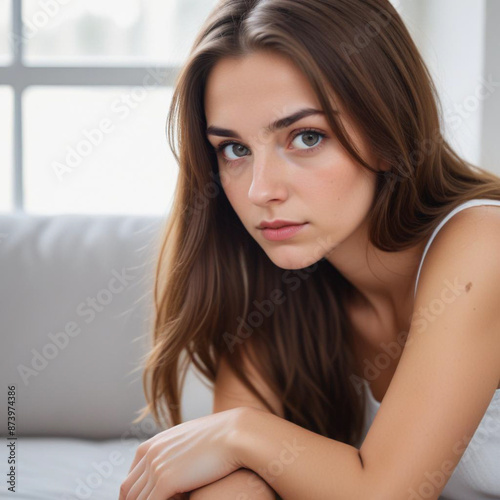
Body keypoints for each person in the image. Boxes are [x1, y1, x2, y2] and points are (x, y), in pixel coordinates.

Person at [119, 0, 500, 499]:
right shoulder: (272, 288)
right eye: (234, 149)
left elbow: (386, 494)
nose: (260, 191)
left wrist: (239, 431)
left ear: (388, 133)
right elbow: (238, 486)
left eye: (306, 136)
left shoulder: (483, 243)